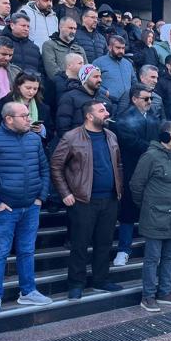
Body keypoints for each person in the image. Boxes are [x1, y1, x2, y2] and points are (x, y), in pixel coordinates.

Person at [0, 102, 53, 317]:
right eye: (24, 116)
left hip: (31, 207)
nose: (29, 119)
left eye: (28, 115)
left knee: (27, 251)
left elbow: (44, 169)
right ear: (8, 119)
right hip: (4, 210)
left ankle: (28, 291)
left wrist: (40, 197)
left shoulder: (34, 139)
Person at [51, 101, 124, 300]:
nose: (106, 113)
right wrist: (65, 193)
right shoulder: (72, 137)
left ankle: (101, 280)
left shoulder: (111, 135)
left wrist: (119, 188)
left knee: (105, 243)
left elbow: (118, 164)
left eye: (106, 110)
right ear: (89, 116)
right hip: (83, 200)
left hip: (109, 198)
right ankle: (76, 284)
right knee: (80, 244)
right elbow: (56, 166)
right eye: (101, 110)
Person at [130, 120, 171, 311]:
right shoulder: (150, 157)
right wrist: (148, 207)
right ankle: (148, 296)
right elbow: (136, 185)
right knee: (152, 259)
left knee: (169, 257)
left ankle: (164, 291)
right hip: (155, 217)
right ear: (165, 136)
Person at [111, 84, 159, 268]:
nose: (149, 102)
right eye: (146, 98)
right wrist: (154, 148)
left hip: (152, 170)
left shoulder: (153, 116)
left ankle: (152, 249)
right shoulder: (123, 118)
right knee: (128, 211)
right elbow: (129, 141)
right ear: (134, 99)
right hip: (132, 169)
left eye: (151, 98)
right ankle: (124, 250)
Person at [0, 71, 53, 142]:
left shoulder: (43, 108)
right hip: (8, 144)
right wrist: (15, 127)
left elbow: (50, 132)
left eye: (35, 89)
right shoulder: (2, 104)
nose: (31, 92)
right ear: (18, 86)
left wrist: (42, 130)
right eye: (28, 88)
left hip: (33, 146)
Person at [56, 64, 112, 134]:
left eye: (100, 76)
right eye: (95, 77)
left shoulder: (104, 99)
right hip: (77, 139)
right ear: (84, 79)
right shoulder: (69, 97)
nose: (100, 80)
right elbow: (63, 126)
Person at [93, 35, 136, 105]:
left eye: (123, 48)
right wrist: (105, 93)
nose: (121, 51)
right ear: (110, 47)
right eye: (118, 48)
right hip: (108, 102)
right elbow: (92, 82)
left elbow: (134, 82)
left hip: (127, 103)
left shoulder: (128, 64)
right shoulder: (98, 62)